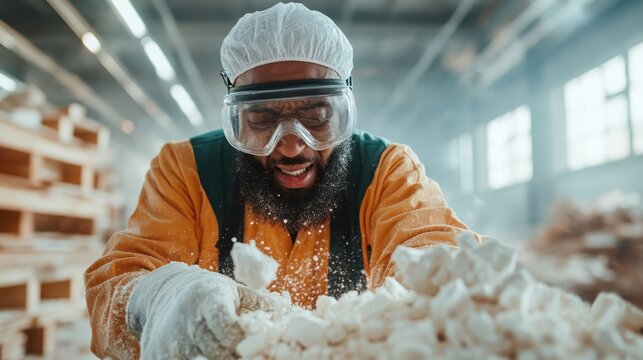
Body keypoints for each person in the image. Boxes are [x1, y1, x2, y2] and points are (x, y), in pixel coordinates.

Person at [85, 2, 474, 359]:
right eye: (262, 119)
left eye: (316, 116)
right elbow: (115, 288)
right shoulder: (186, 171)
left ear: (343, 110)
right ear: (236, 118)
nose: (289, 147)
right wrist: (157, 298)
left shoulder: (386, 171)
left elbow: (439, 260)